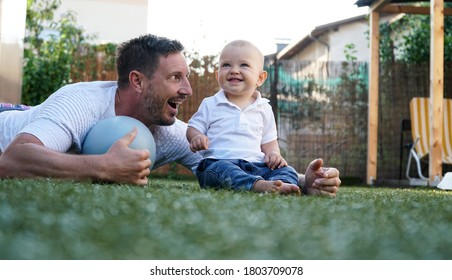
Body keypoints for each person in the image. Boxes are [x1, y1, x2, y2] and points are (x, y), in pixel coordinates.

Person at [0, 34, 340, 196]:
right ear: (138, 81)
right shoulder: (80, 102)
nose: (189, 90)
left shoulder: (173, 134)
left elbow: (226, 164)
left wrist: (303, 180)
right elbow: (13, 160)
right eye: (176, 78)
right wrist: (102, 167)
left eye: (187, 77)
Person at [187, 40, 300, 194]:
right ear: (217, 74)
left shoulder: (264, 107)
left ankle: (281, 185)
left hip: (256, 166)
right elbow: (193, 128)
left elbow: (269, 142)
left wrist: (274, 155)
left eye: (244, 65)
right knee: (219, 170)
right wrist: (197, 137)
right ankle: (256, 185)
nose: (234, 70)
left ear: (260, 78)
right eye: (226, 65)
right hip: (219, 162)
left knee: (289, 170)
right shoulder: (211, 104)